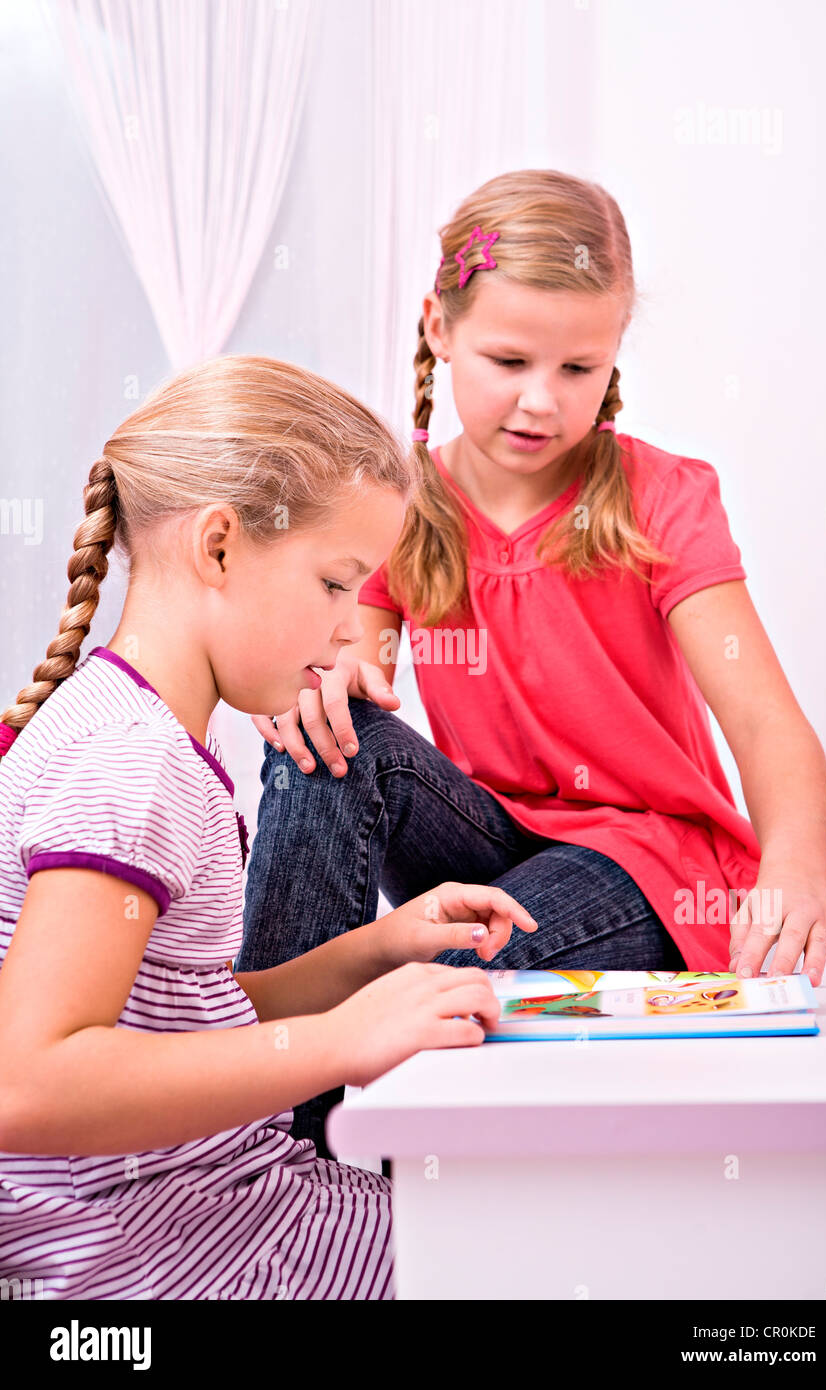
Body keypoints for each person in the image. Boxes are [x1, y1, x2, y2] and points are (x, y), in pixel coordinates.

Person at [240, 170, 826, 1157]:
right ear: (437, 327)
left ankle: (319, 1138)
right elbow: (354, 658)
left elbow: (766, 723)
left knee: (457, 975)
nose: (540, 401)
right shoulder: (402, 503)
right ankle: (261, 1103)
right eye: (508, 359)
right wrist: (329, 680)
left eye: (578, 369)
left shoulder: (659, 498)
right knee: (325, 742)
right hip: (494, 840)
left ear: (612, 360)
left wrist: (792, 868)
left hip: (645, 861)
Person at [0, 354, 538, 1300]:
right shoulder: (133, 761)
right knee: (531, 1251)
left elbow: (184, 1013)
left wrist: (374, 951)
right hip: (148, 1250)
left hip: (198, 1204)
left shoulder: (134, 729)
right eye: (338, 584)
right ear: (218, 548)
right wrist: (341, 1044)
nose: (350, 630)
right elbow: (29, 1084)